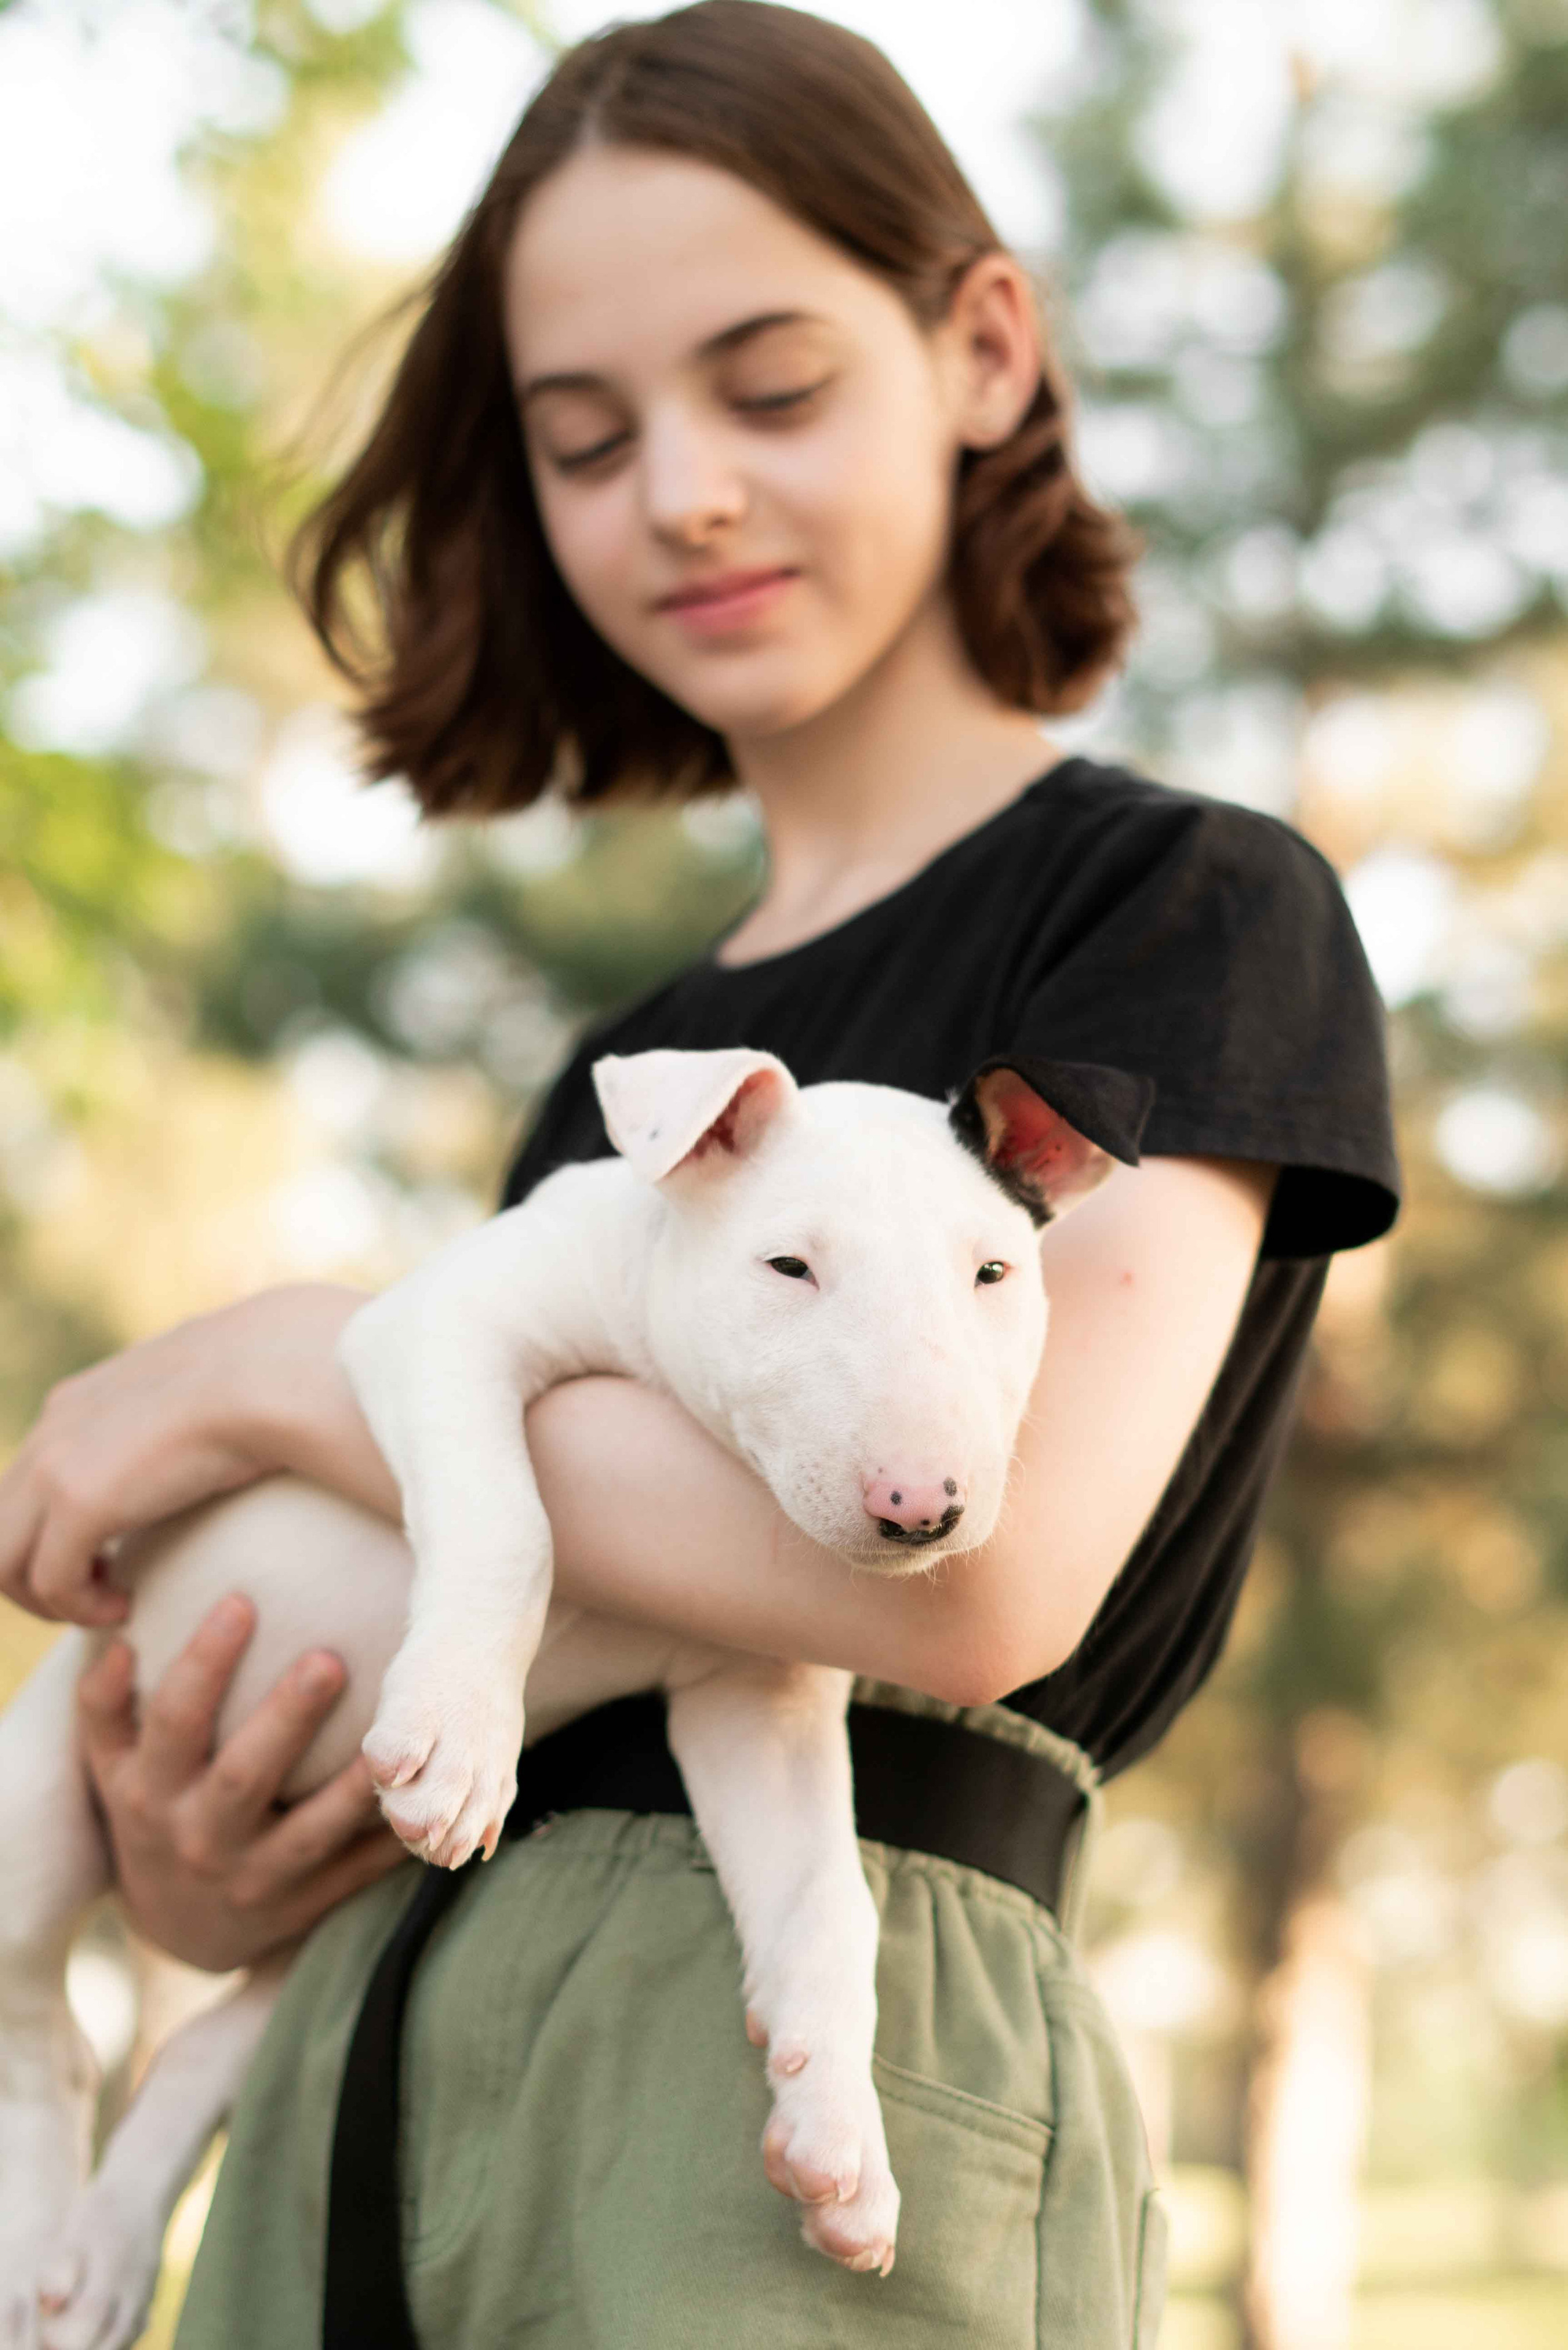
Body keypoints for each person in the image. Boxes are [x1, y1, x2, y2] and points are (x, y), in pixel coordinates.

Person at [0, 6, 1400, 2344]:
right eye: (586, 438)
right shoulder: (637, 1071)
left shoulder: (1183, 914)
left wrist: (261, 1375)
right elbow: (522, 1631)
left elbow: (965, 1575)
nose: (686, 496)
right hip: (375, 2080)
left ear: (978, 346)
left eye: (768, 389)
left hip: (781, 2088)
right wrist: (211, 1858)